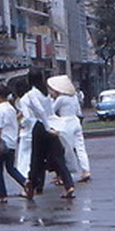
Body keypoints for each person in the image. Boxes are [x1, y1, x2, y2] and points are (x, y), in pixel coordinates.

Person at [24, 68, 74, 199]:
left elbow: (40, 111)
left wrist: (46, 127)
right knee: (58, 157)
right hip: (50, 125)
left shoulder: (31, 94)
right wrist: (52, 125)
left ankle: (31, 186)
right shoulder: (45, 92)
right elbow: (50, 110)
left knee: (36, 159)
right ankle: (69, 185)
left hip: (41, 126)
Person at [48, 74, 91, 183]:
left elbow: (51, 111)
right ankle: (86, 170)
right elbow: (79, 112)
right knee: (80, 148)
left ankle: (65, 175)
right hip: (76, 121)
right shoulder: (74, 97)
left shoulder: (61, 99)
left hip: (65, 124)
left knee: (67, 150)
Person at [0, 83, 28, 202]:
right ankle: (25, 182)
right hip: (11, 142)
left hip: (2, 143)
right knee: (10, 168)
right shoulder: (11, 108)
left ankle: (2, 195)